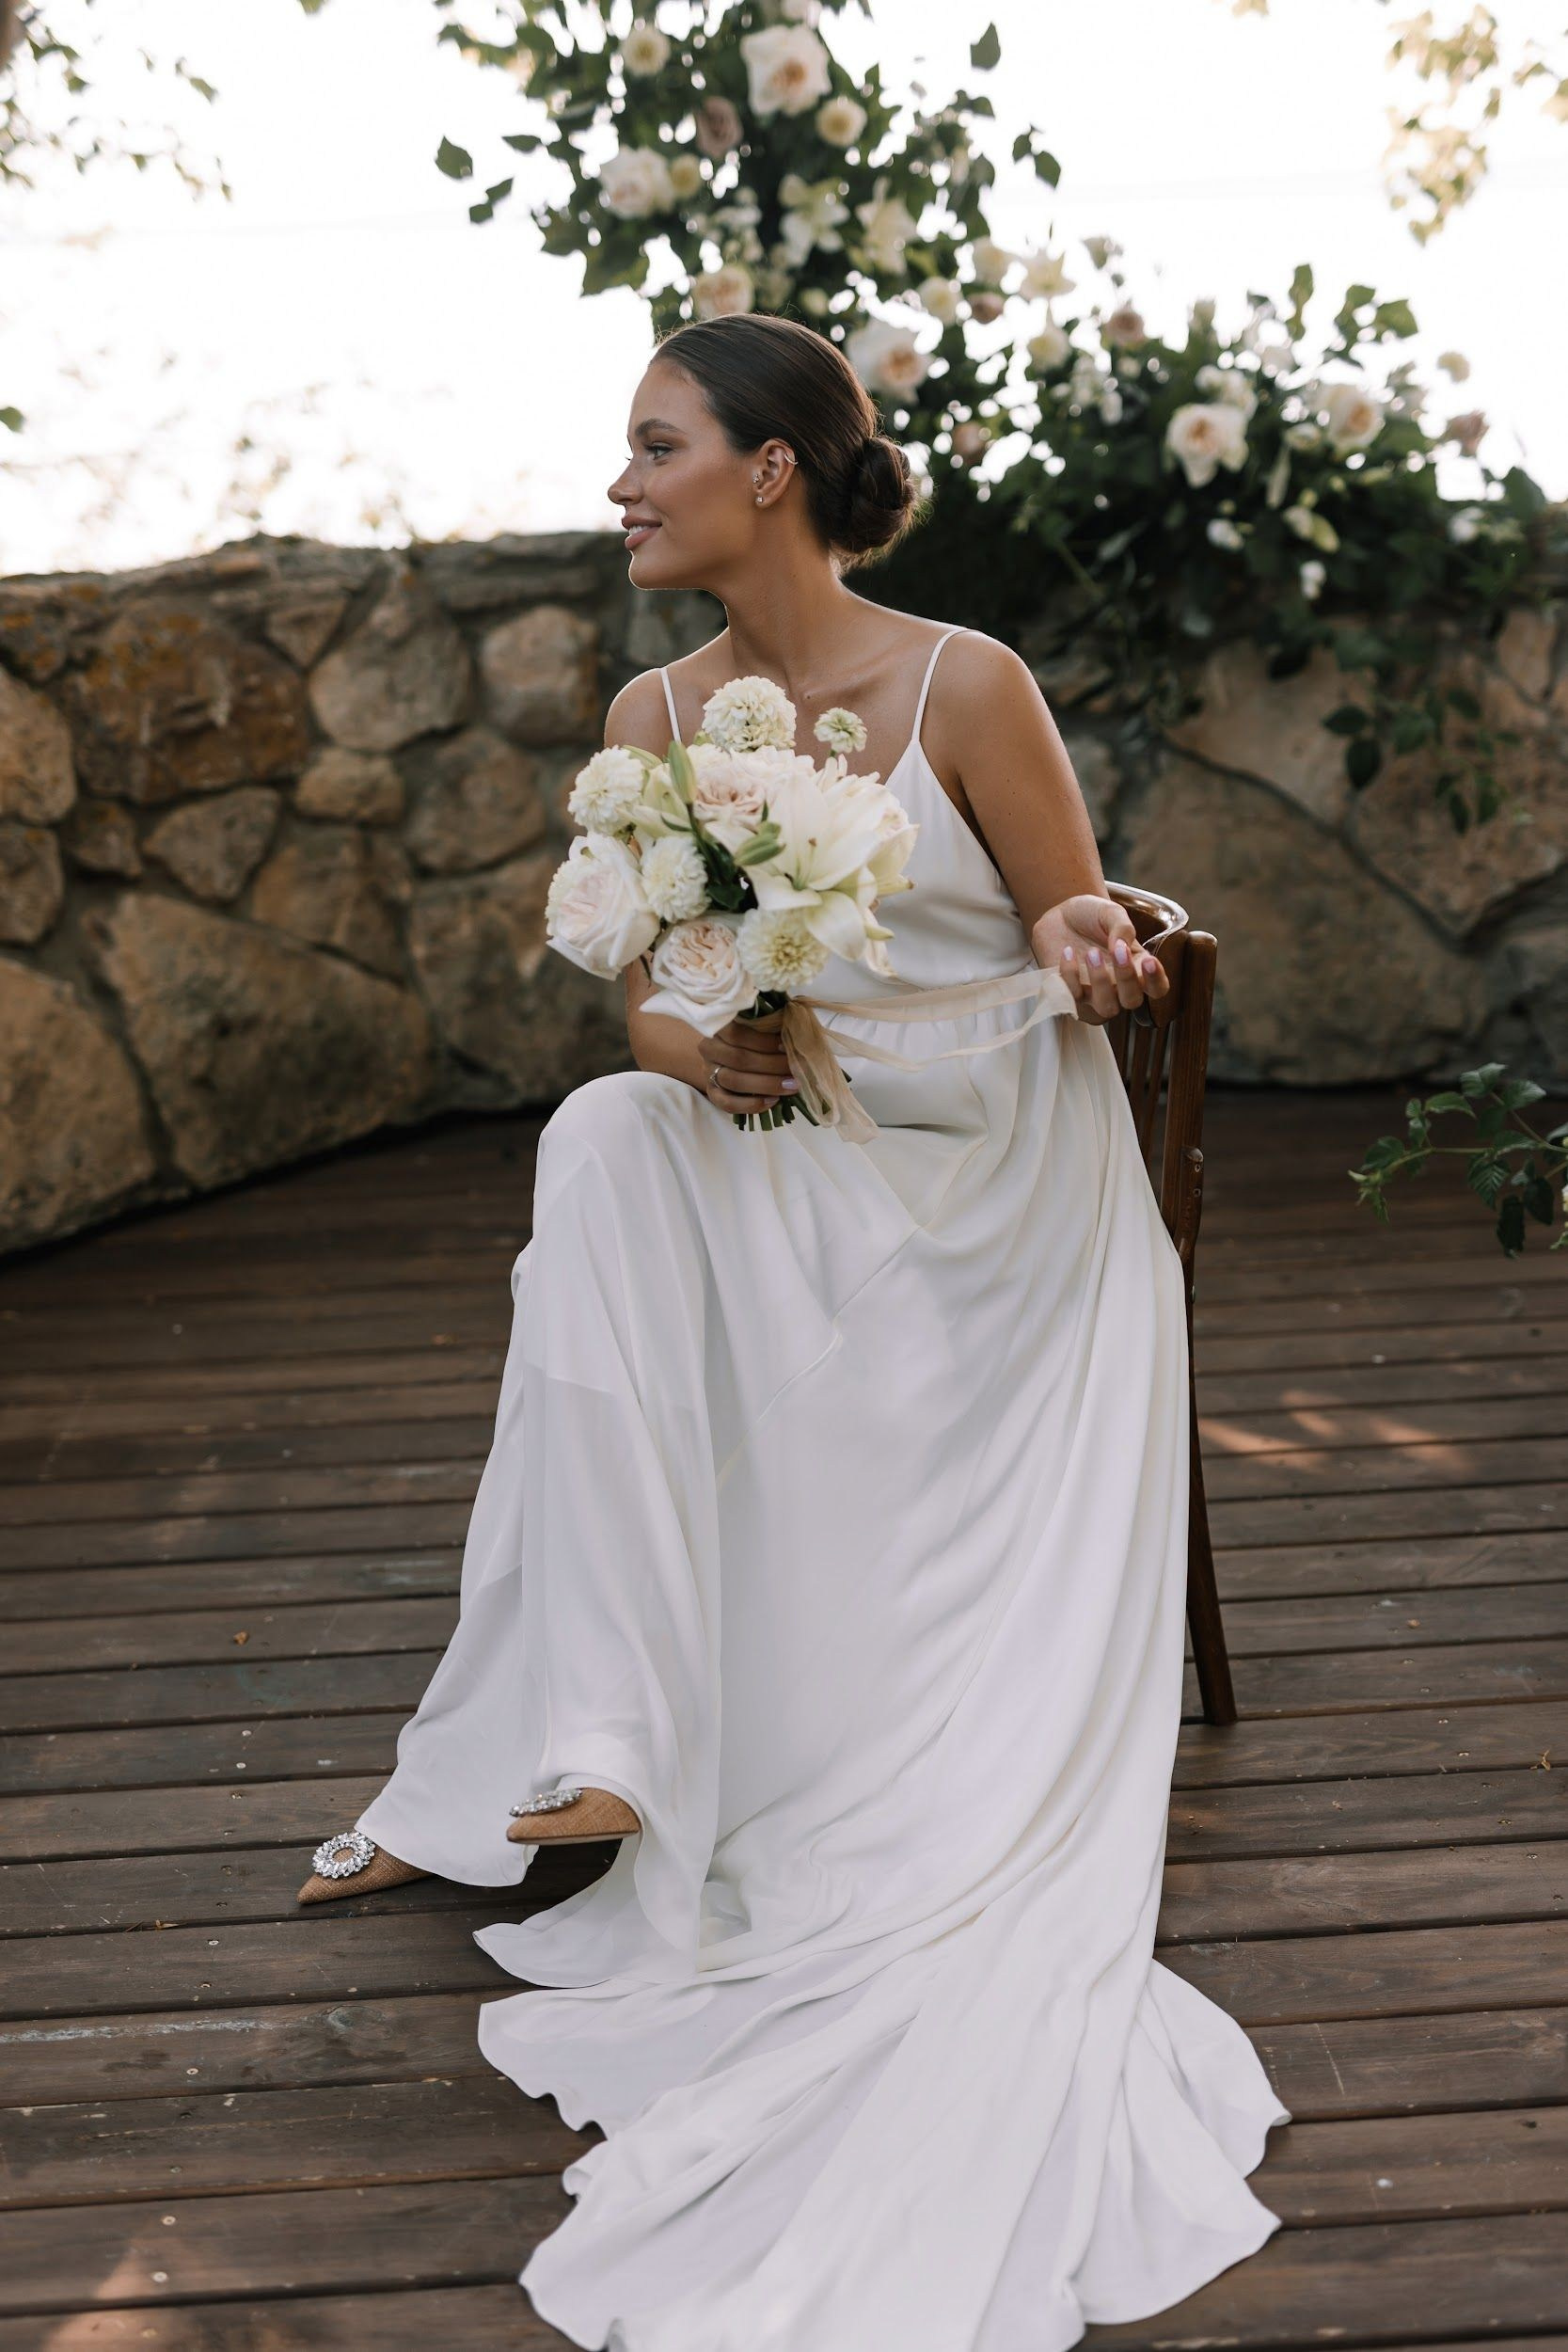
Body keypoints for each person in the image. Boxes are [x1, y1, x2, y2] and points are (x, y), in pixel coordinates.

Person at [297, 311, 1290, 2349]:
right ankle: (603, 1740)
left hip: (998, 1181)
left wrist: (1089, 933)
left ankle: (697, 1737)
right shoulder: (658, 708)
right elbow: (651, 999)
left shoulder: (964, 682)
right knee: (601, 1133)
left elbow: (1068, 921)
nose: (621, 482)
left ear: (769, 469)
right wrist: (708, 1044)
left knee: (620, 1160)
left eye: (654, 443)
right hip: (796, 1132)